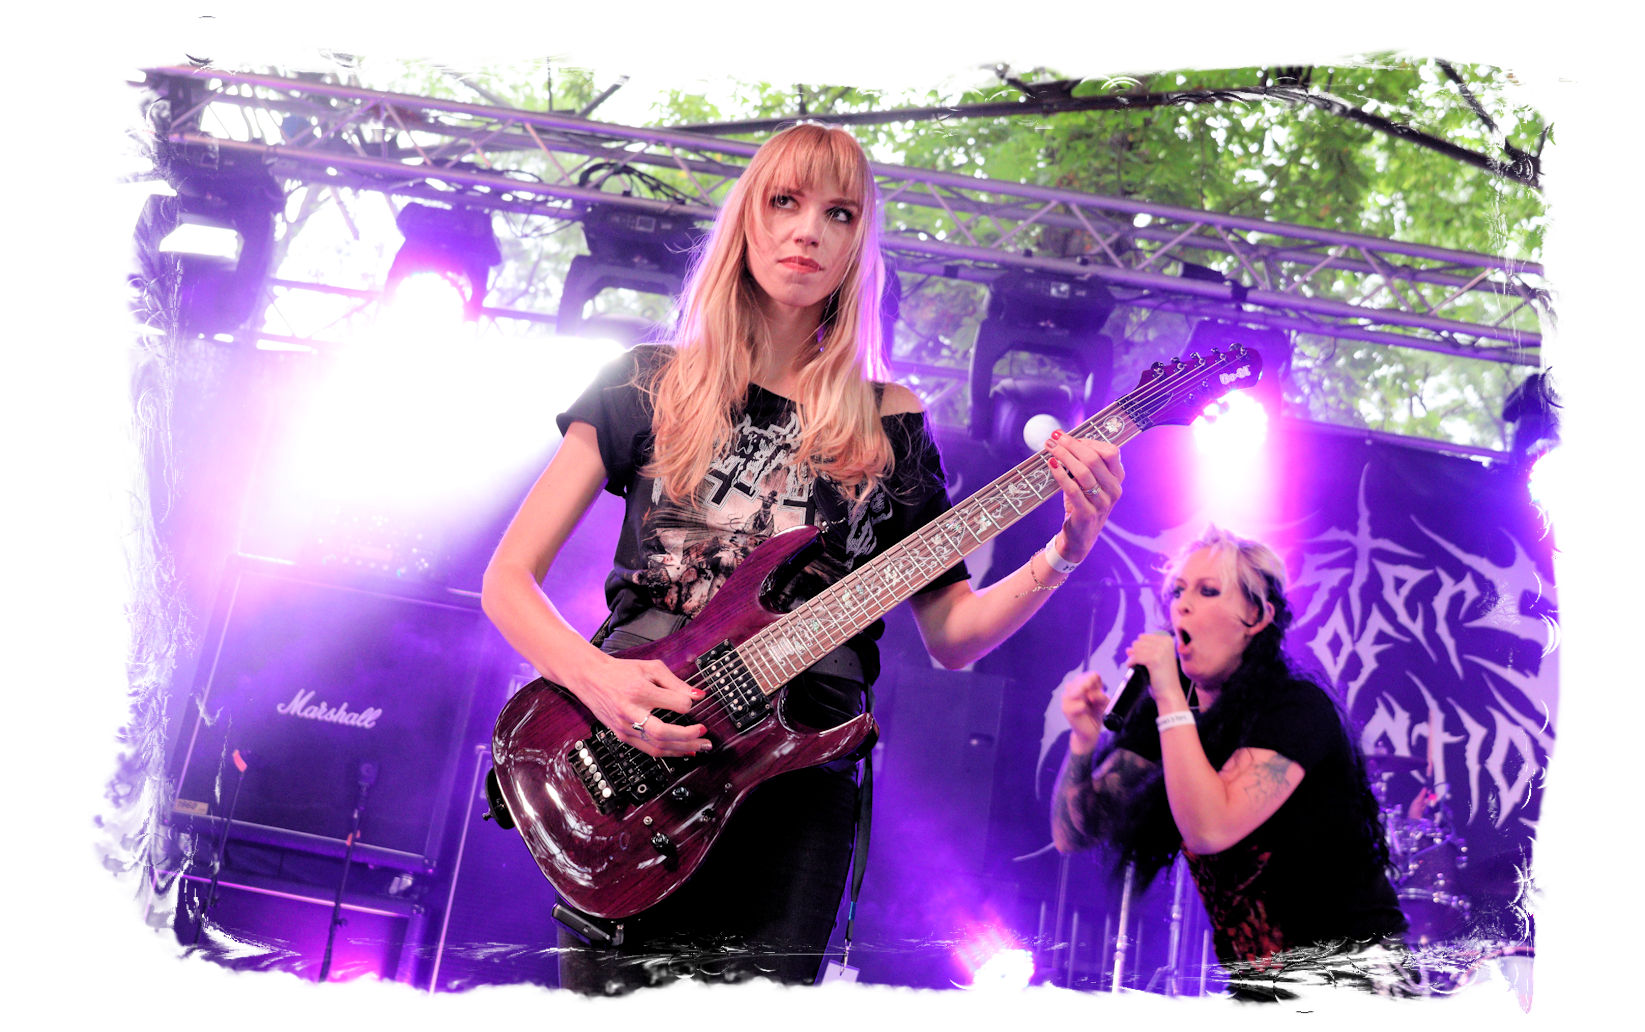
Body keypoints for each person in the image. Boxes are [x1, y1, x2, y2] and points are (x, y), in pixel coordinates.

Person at [481, 121, 1125, 994]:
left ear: (860, 244)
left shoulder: (889, 422)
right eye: (784, 202)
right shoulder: (645, 382)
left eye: (839, 213)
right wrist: (601, 683)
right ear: (748, 218)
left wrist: (1067, 548)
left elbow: (952, 635)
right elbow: (506, 581)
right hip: (635, 761)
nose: (807, 231)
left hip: (794, 784)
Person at [1051, 526, 1409, 1000]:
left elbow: (1211, 827)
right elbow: (1075, 834)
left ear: (1256, 616)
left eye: (1207, 591)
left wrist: (1170, 696)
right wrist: (1083, 742)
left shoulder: (1296, 709)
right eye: (1178, 591)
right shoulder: (1170, 718)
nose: (1182, 605)